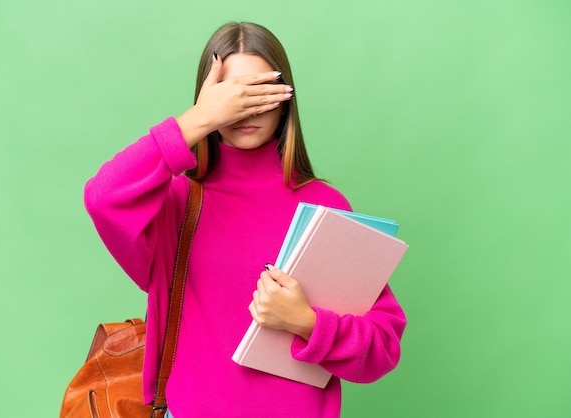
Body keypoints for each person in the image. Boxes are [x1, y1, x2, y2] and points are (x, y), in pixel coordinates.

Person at [84, 21, 406, 418]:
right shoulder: (178, 204)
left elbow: (381, 348)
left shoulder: (326, 206)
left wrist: (307, 323)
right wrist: (198, 120)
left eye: (259, 91)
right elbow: (103, 197)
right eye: (231, 95)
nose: (245, 108)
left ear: (286, 97)